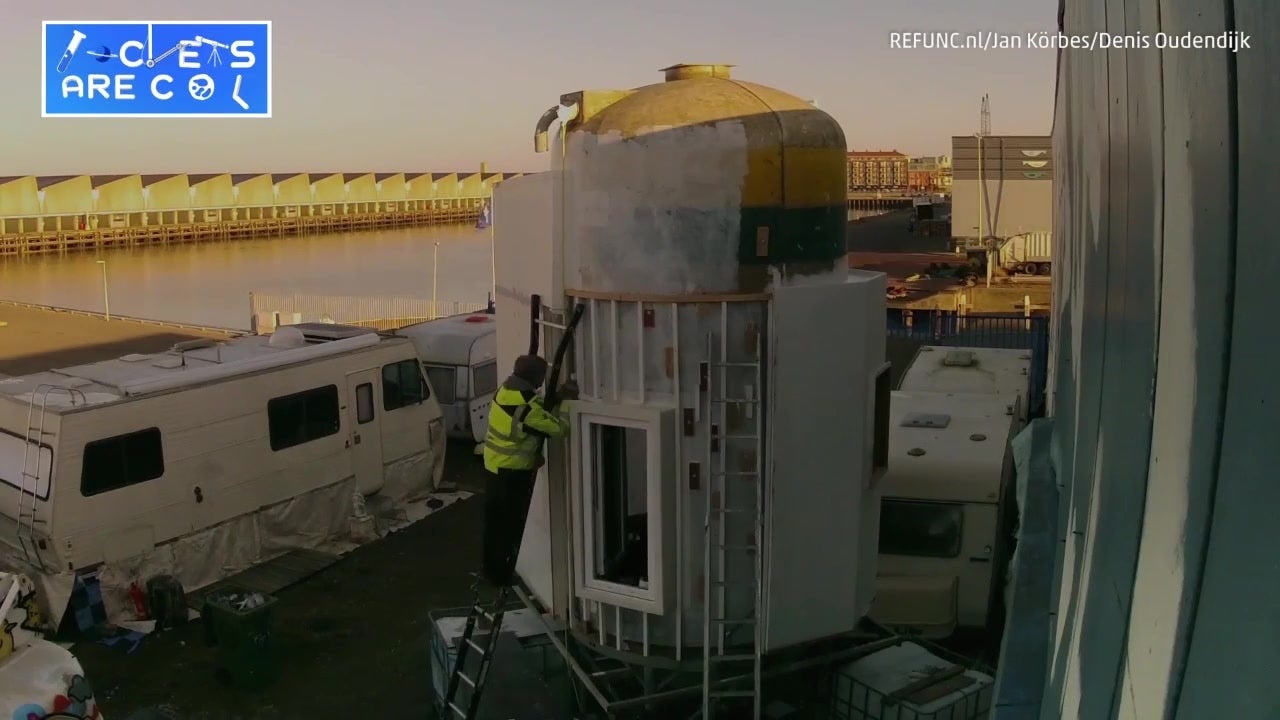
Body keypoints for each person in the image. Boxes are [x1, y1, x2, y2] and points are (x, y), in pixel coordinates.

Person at [481, 354, 579, 586]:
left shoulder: (507, 390)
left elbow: (531, 414)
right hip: (511, 474)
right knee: (509, 526)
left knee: (495, 524)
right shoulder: (525, 406)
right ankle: (501, 576)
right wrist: (566, 403)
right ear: (535, 377)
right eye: (541, 377)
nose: (542, 381)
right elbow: (559, 429)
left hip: (495, 467)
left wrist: (555, 397)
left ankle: (492, 571)